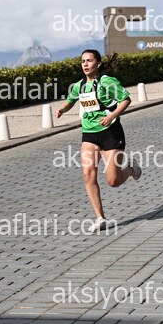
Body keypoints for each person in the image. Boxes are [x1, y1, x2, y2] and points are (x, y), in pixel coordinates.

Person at [56, 50, 141, 232]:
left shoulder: (107, 82)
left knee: (113, 181)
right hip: (89, 134)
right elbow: (71, 100)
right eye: (83, 61)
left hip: (111, 133)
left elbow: (125, 100)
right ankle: (100, 218)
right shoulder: (79, 86)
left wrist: (111, 116)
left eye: (89, 61)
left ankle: (131, 169)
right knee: (88, 174)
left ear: (98, 63)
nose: (85, 64)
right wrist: (62, 109)